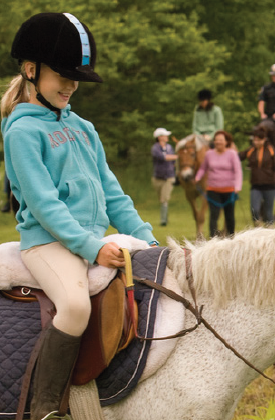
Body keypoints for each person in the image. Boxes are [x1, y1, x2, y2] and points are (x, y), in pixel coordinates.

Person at [0, 13, 158, 420]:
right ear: (31, 71)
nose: (71, 85)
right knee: (74, 306)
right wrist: (91, 246)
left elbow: (112, 193)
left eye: (77, 78)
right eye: (63, 75)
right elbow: (43, 204)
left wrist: (149, 240)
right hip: (49, 243)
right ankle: (45, 408)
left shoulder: (84, 128)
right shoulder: (21, 132)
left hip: (88, 240)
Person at [195, 130, 242, 238]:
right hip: (213, 189)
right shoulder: (209, 154)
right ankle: (213, 239)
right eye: (216, 140)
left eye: (221, 140)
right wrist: (198, 177)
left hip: (229, 190)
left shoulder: (232, 154)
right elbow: (203, 168)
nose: (218, 142)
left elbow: (238, 171)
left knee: (229, 216)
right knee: (214, 215)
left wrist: (237, 186)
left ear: (226, 142)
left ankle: (231, 238)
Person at [239, 127, 275, 226]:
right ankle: (257, 224)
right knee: (254, 209)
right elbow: (239, 156)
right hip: (256, 185)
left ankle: (270, 230)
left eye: (259, 140)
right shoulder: (251, 150)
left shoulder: (271, 150)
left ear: (264, 139)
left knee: (268, 212)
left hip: (270, 185)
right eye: (255, 140)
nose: (256, 142)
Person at [151, 127, 178, 226]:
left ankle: (163, 221)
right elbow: (163, 157)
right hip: (158, 177)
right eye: (165, 135)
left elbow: (173, 161)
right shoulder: (155, 148)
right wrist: (177, 156)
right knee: (161, 199)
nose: (167, 137)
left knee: (164, 198)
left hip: (169, 176)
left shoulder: (170, 147)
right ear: (159, 137)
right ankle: (165, 217)